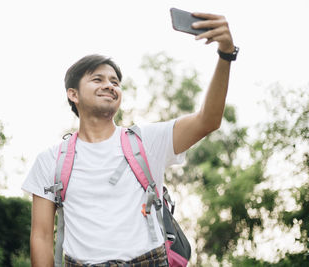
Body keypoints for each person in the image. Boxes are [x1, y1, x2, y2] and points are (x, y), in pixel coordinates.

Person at [22, 12, 237, 267]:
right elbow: (42, 237)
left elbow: (208, 120)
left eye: (115, 81)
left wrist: (226, 54)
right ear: (73, 94)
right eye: (97, 79)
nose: (110, 85)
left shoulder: (146, 141)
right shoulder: (50, 161)